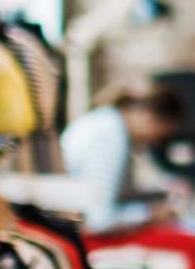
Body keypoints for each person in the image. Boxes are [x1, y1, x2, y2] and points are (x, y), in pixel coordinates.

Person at [61, 82, 185, 231]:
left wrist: (155, 196)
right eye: (161, 135)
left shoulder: (108, 121)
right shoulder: (111, 133)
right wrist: (150, 213)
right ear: (148, 116)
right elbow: (99, 220)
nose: (155, 142)